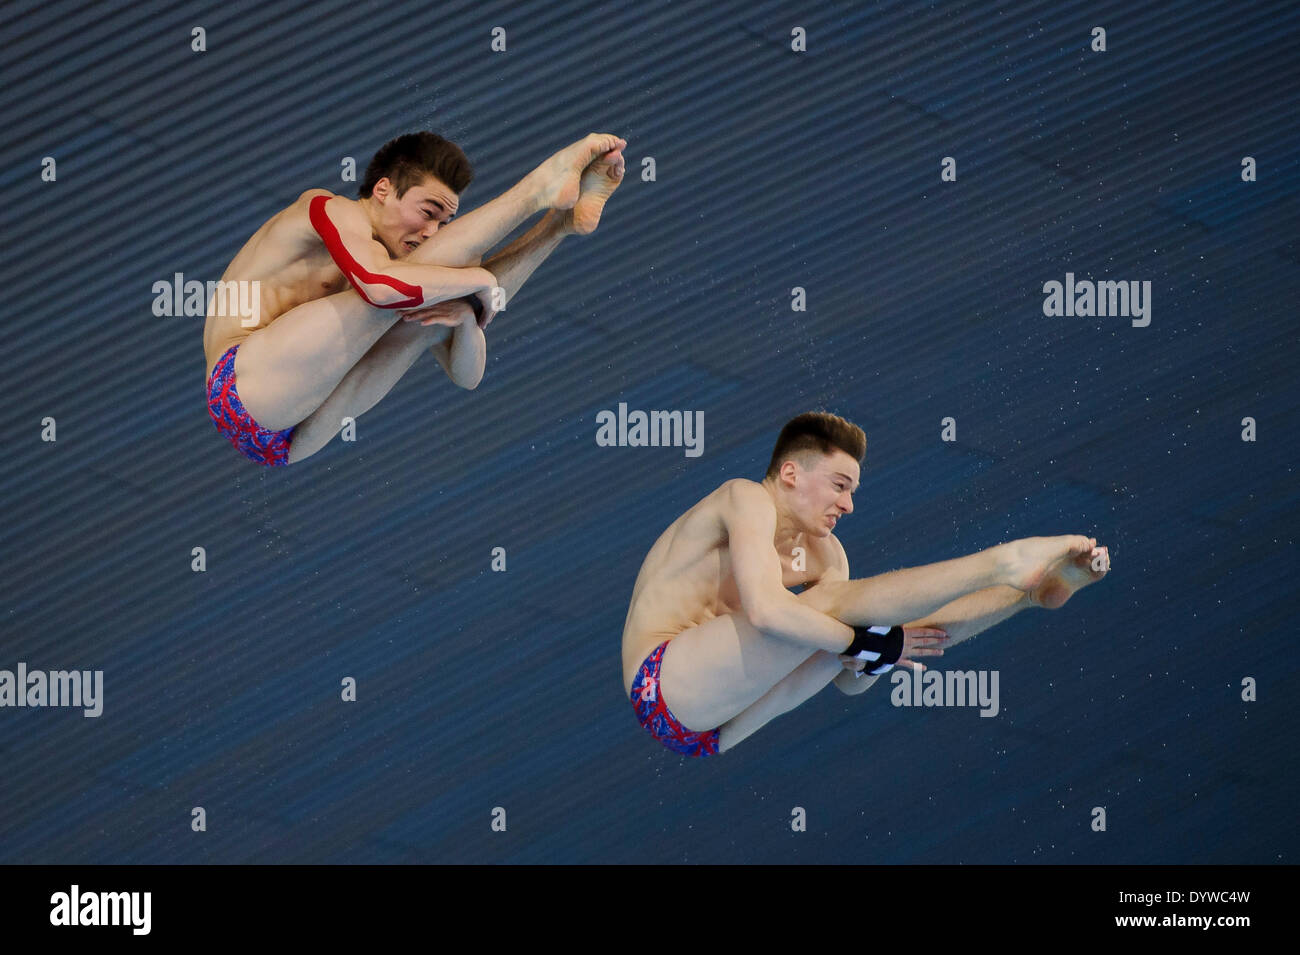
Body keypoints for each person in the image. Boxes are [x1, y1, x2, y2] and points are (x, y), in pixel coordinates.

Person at [621, 411, 1110, 756]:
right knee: (837, 613)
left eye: (853, 491)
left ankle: (1023, 594)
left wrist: (874, 649)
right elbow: (768, 612)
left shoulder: (826, 554)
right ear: (790, 473)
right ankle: (1003, 563)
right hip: (661, 682)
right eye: (839, 485)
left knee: (860, 624)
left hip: (718, 730)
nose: (848, 505)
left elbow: (850, 680)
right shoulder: (744, 498)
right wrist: (864, 639)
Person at [203, 131, 626, 465]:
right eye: (428, 213)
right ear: (384, 189)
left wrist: (465, 317)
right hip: (243, 385)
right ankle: (537, 188)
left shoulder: (398, 267)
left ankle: (558, 225)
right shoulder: (328, 209)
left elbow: (469, 375)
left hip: (289, 442)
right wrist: (475, 278)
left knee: (430, 300)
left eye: (444, 221)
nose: (430, 231)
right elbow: (376, 286)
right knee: (418, 281)